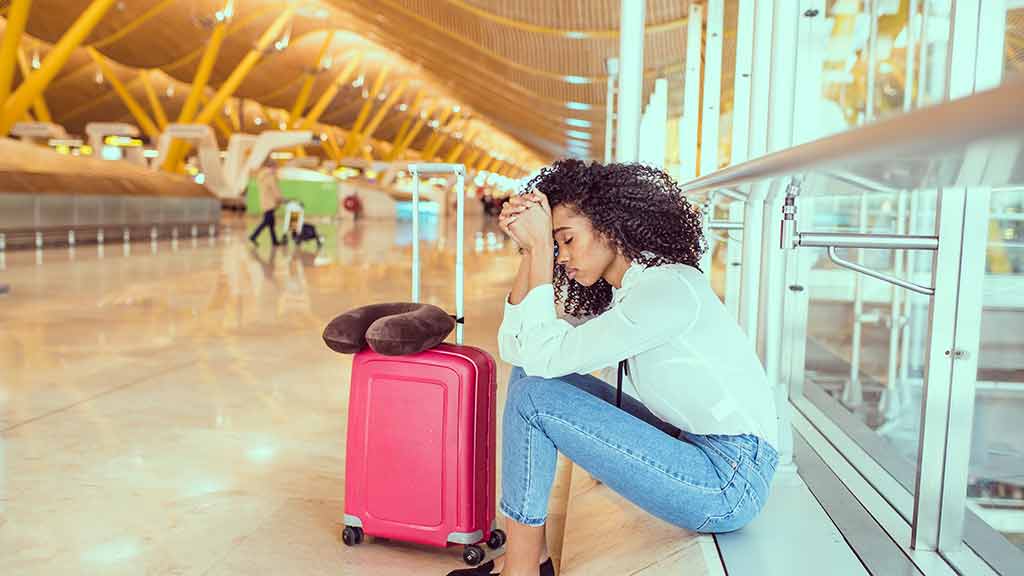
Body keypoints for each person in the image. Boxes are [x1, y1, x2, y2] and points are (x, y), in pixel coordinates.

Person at [448, 160, 779, 576]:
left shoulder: (665, 291)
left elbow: (544, 354)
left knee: (536, 394)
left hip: (727, 481)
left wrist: (537, 250)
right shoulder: (629, 290)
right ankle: (532, 559)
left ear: (609, 226)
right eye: (556, 246)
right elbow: (520, 351)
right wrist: (533, 252)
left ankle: (522, 571)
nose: (563, 257)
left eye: (566, 240)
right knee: (531, 378)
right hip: (697, 448)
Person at [249, 158, 283, 246]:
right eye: (276, 167)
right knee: (266, 222)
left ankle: (274, 241)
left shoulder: (262, 176)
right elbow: (275, 189)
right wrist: (280, 198)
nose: (276, 169)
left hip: (265, 201)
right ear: (272, 167)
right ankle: (253, 236)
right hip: (270, 203)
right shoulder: (270, 176)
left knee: (271, 223)